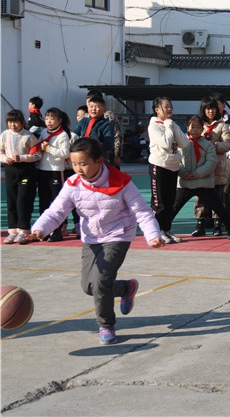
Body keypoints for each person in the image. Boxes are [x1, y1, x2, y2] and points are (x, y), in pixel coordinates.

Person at [31, 137, 165, 345]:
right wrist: (40, 228)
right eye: (74, 164)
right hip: (91, 237)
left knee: (101, 281)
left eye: (83, 163)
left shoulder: (121, 182)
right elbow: (57, 211)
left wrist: (152, 236)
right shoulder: (73, 184)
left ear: (99, 160)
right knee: (88, 287)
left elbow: (142, 211)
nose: (78, 169)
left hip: (118, 235)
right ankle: (125, 288)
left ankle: (106, 325)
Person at [171, 115, 230, 239]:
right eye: (192, 127)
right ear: (187, 127)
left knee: (218, 207)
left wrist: (195, 174)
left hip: (204, 183)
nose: (195, 130)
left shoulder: (208, 145)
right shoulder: (181, 143)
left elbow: (211, 163)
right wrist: (184, 173)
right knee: (174, 207)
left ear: (203, 129)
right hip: (186, 183)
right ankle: (162, 228)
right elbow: (176, 161)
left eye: (198, 127)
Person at [148, 97, 190, 244]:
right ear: (157, 110)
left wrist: (171, 125)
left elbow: (184, 143)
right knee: (159, 202)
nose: (169, 109)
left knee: (170, 201)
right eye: (165, 107)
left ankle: (167, 229)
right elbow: (166, 143)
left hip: (173, 167)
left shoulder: (171, 123)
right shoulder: (154, 125)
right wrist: (168, 125)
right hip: (159, 166)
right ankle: (157, 231)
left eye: (170, 106)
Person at [191, 96, 230, 237]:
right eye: (208, 108)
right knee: (200, 196)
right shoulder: (198, 124)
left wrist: (213, 146)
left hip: (217, 167)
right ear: (203, 109)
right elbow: (190, 138)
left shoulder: (222, 125)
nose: (210, 111)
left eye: (213, 108)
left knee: (218, 197)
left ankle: (217, 225)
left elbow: (228, 144)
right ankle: (200, 224)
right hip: (201, 166)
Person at [1, 109, 40, 244]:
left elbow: (37, 155)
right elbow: (1, 151)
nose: (13, 125)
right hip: (10, 170)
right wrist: (5, 159)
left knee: (23, 201)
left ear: (22, 122)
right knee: (11, 201)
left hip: (26, 170)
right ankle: (12, 230)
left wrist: (22, 158)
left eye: (16, 122)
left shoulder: (29, 136)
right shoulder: (4, 135)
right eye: (10, 122)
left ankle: (23, 230)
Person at [35, 107, 72, 242]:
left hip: (55, 171)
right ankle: (43, 230)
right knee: (43, 201)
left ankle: (57, 231)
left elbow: (65, 154)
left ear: (59, 121)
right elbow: (39, 146)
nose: (49, 121)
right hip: (42, 170)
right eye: (47, 118)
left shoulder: (62, 135)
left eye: (52, 118)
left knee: (57, 202)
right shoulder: (44, 132)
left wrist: (49, 148)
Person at [73, 94, 115, 165]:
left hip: (97, 157)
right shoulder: (84, 121)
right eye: (91, 106)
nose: (93, 109)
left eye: (97, 107)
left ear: (104, 109)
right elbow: (74, 134)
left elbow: (109, 143)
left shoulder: (107, 124)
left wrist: (95, 146)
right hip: (82, 156)